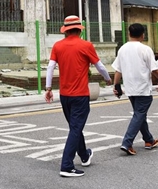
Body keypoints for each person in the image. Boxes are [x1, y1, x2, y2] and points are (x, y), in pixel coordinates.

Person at [45, 15, 112, 178]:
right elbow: (100, 66)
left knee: (75, 127)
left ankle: (84, 155)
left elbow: (50, 67)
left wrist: (48, 88)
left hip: (64, 95)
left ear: (66, 31)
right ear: (79, 30)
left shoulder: (57, 46)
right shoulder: (86, 45)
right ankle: (66, 165)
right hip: (80, 95)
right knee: (76, 128)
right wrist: (108, 78)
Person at [111, 23, 158, 156]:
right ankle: (127, 142)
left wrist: (116, 86)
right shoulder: (145, 49)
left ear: (129, 34)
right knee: (139, 114)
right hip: (142, 88)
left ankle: (149, 140)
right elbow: (155, 69)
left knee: (140, 114)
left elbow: (118, 70)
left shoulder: (122, 49)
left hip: (130, 88)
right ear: (143, 35)